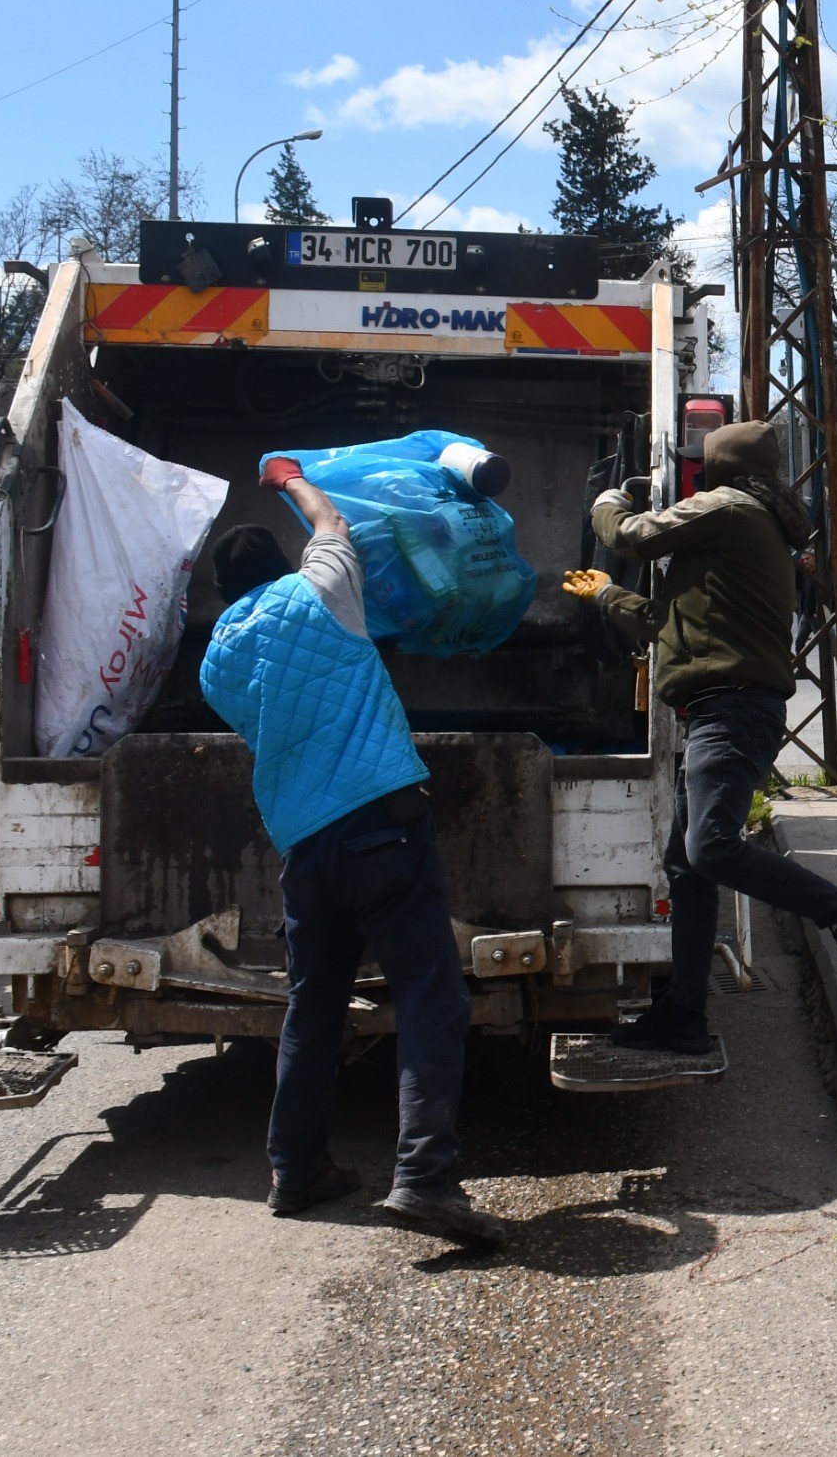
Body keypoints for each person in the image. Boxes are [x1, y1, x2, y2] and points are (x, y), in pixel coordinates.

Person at [198, 463, 504, 1244]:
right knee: (431, 999)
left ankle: (295, 1172)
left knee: (313, 1006)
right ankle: (426, 1179)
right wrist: (290, 479)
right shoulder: (321, 593)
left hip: (305, 848)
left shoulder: (216, 664)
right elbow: (331, 526)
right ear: (280, 566)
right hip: (381, 828)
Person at [569, 420, 837, 1055]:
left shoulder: (730, 508)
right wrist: (609, 598)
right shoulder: (744, 526)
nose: (693, 475)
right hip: (724, 708)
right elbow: (674, 624)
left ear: (724, 470)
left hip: (733, 710)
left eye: (699, 466)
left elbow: (631, 537)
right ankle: (684, 1012)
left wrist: (609, 501)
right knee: (686, 864)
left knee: (710, 849)